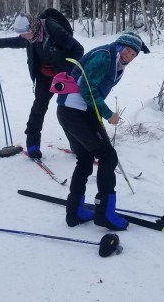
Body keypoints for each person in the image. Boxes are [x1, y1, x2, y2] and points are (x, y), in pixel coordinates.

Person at [56, 31, 149, 231]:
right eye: (128, 50)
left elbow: (93, 89)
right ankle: (105, 213)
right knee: (108, 156)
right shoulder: (105, 57)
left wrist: (96, 112)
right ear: (120, 45)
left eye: (133, 55)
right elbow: (87, 89)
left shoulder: (115, 61)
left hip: (72, 111)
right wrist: (107, 113)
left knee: (85, 158)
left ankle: (75, 212)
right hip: (76, 111)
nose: (129, 56)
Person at [0, 8, 84, 159]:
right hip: (44, 76)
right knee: (38, 108)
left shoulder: (52, 29)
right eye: (20, 33)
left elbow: (78, 49)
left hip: (63, 75)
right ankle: (33, 144)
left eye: (24, 33)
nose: (22, 36)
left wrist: (70, 73)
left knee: (68, 109)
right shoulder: (30, 36)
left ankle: (78, 145)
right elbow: (16, 41)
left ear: (33, 28)